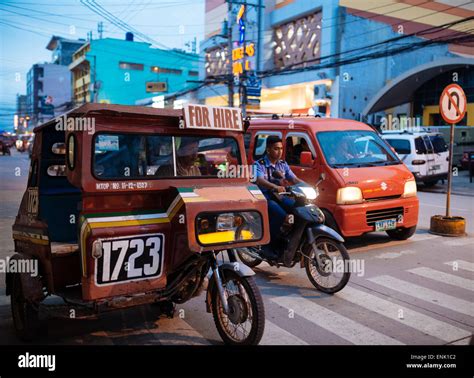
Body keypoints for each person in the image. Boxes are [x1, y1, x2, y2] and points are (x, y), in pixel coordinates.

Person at [254, 136, 303, 258]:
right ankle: (267, 246)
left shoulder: (283, 164)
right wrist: (274, 187)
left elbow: (293, 178)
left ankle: (289, 239)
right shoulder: (259, 164)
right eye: (276, 149)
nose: (280, 151)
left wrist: (307, 186)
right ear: (268, 149)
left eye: (281, 148)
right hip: (265, 197)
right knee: (280, 215)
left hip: (280, 196)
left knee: (299, 208)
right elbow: (259, 180)